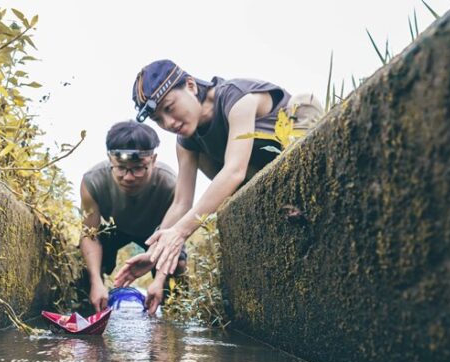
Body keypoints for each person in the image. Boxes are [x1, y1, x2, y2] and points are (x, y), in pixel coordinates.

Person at [115, 59, 322, 295]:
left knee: (304, 102)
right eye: (159, 119)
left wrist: (180, 232)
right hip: (255, 178)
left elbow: (234, 171)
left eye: (169, 108)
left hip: (289, 152)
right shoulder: (186, 140)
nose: (168, 123)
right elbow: (181, 203)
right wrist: (155, 255)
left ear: (191, 85)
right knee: (199, 154)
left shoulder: (237, 99)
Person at [80, 120, 187, 314]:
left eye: (138, 168)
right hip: (115, 228)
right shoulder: (92, 181)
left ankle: (173, 312)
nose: (128, 177)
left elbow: (171, 239)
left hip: (158, 232)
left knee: (178, 266)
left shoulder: (170, 184)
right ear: (110, 159)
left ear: (153, 160)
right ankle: (93, 306)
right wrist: (96, 281)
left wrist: (159, 280)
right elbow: (90, 234)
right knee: (86, 267)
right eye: (120, 168)